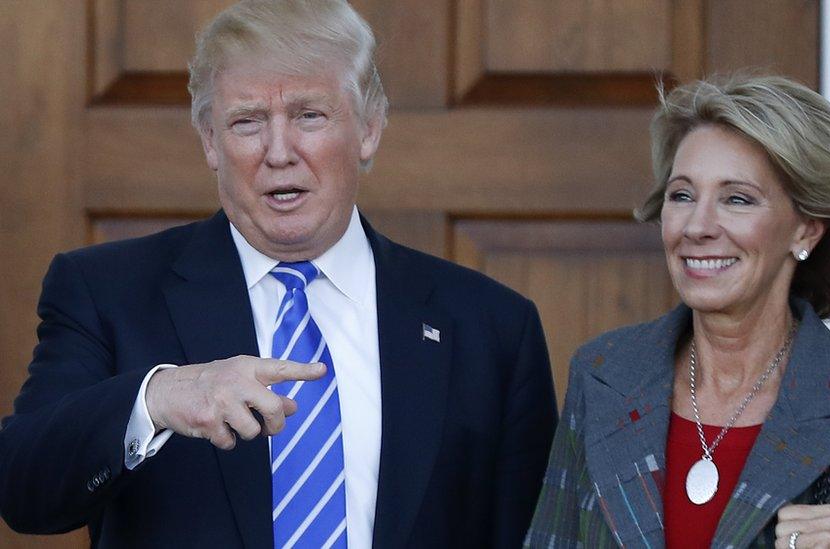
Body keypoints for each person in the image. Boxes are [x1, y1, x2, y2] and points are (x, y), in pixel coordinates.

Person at [0, 1, 558, 547]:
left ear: (369, 129)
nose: (279, 151)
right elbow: (23, 489)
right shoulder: (106, 293)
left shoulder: (493, 327)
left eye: (309, 116)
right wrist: (158, 398)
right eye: (247, 122)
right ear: (210, 142)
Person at [525, 75, 830, 548]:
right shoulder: (603, 376)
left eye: (736, 199)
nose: (697, 226)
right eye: (682, 195)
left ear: (806, 230)